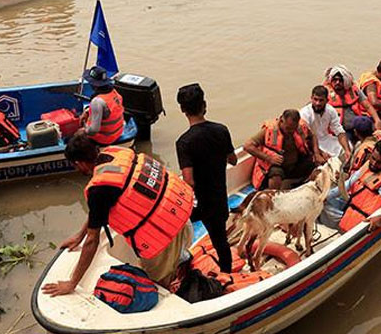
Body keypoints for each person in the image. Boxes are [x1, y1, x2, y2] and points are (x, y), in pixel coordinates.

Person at [41, 132, 195, 296]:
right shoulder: (118, 154)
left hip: (163, 234)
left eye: (75, 166)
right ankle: (181, 262)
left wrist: (71, 283)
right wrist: (79, 236)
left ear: (80, 163)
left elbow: (92, 241)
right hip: (181, 215)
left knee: (154, 287)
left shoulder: (98, 189)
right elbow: (98, 212)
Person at [175, 84, 237, 274]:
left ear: (183, 110)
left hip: (198, 203)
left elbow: (189, 181)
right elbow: (233, 160)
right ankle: (227, 275)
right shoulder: (221, 130)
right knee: (221, 243)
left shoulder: (184, 142)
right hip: (218, 200)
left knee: (174, 229)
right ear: (204, 105)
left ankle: (179, 265)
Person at [319, 139, 381, 233]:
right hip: (347, 218)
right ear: (371, 153)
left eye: (379, 162)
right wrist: (324, 196)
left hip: (361, 227)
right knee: (324, 202)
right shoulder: (366, 167)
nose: (373, 164)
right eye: (373, 158)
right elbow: (347, 185)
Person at [244, 109, 318, 190]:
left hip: (295, 164)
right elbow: (248, 146)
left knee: (315, 163)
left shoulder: (300, 127)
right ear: (281, 120)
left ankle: (301, 186)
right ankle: (274, 193)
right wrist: (268, 158)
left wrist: (317, 153)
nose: (291, 131)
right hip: (277, 165)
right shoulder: (270, 130)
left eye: (293, 129)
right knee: (276, 174)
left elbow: (312, 136)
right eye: (288, 128)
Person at [323, 65, 381, 133]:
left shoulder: (354, 90)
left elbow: (368, 106)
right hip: (338, 130)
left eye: (340, 80)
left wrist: (377, 120)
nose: (337, 82)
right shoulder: (324, 92)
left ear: (345, 81)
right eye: (335, 80)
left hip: (356, 126)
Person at [299, 85, 352, 160]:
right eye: (315, 99)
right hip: (312, 144)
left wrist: (347, 150)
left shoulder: (331, 111)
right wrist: (320, 152)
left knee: (348, 146)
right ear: (311, 98)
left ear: (327, 100)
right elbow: (306, 138)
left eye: (321, 100)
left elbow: (339, 131)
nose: (317, 103)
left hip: (326, 140)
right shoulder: (305, 113)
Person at [80, 66, 125, 145]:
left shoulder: (97, 102)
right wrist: (87, 111)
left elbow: (93, 130)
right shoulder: (114, 92)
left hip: (105, 139)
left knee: (76, 137)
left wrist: (83, 129)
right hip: (118, 132)